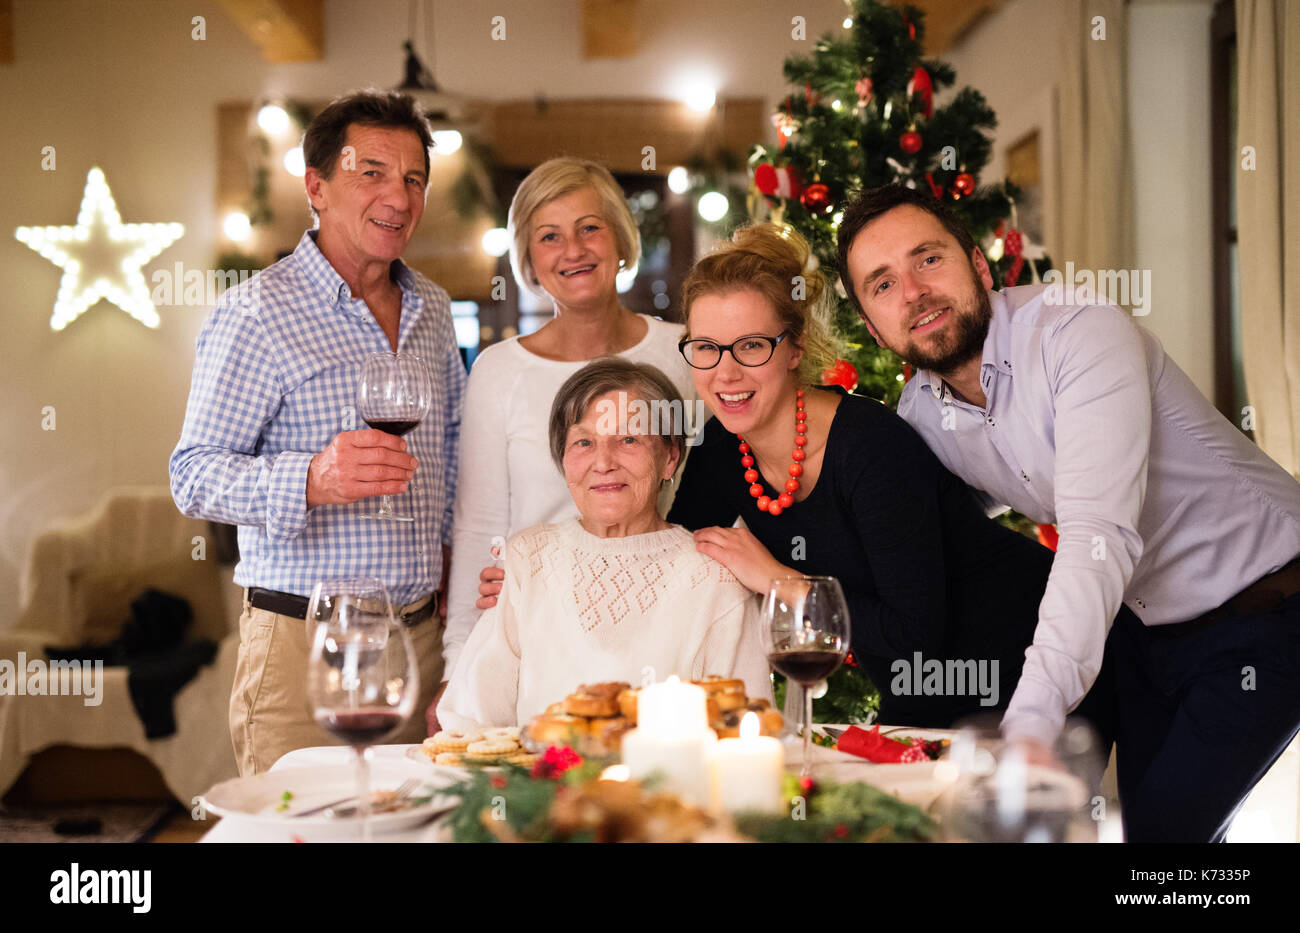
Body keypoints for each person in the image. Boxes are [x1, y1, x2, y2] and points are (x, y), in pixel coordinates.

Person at [838, 182, 1300, 842]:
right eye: (882, 284)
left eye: (928, 259)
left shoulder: (1077, 330)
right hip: (1139, 628)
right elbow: (936, 543)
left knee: (1166, 848)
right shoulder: (920, 415)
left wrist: (1026, 726)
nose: (913, 292)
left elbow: (1096, 536)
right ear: (871, 323)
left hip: (1266, 607)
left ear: (978, 262)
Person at [660, 223, 1116, 730]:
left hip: (1032, 665)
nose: (725, 373)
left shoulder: (870, 446)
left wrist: (778, 581)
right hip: (916, 694)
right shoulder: (722, 447)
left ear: (794, 348)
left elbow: (911, 635)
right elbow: (678, 555)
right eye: (705, 347)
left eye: (750, 346)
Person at [169, 90, 465, 775]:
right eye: (373, 172)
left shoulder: (435, 308)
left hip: (422, 640)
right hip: (306, 645)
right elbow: (192, 474)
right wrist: (310, 477)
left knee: (415, 830)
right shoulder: (255, 313)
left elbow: (452, 450)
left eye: (414, 178)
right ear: (317, 186)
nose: (399, 195)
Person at [435, 157, 696, 729]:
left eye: (589, 227)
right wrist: (458, 666)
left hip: (665, 631)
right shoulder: (500, 371)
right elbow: (479, 527)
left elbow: (713, 495)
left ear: (621, 240)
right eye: (549, 236)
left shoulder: (683, 354)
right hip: (541, 638)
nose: (572, 249)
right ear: (528, 260)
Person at [437, 359, 767, 731]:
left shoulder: (715, 574)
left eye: (628, 439)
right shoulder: (526, 558)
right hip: (539, 784)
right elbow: (471, 716)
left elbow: (748, 730)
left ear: (669, 458)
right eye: (584, 442)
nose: (603, 462)